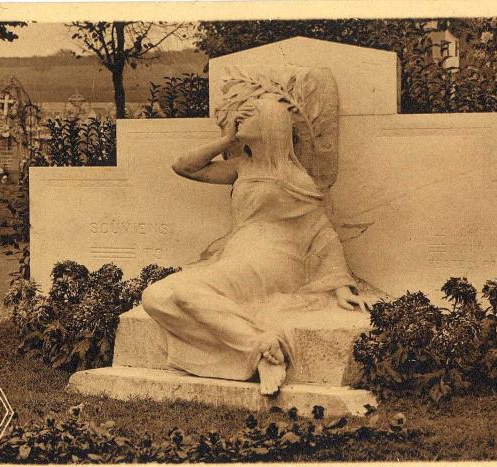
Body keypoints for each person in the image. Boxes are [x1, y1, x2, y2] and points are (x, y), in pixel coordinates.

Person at [141, 97, 371, 395]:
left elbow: (321, 230)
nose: (240, 118)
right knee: (154, 296)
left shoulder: (293, 176)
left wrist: (341, 285)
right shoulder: (241, 168)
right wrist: (227, 139)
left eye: (249, 115)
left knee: (185, 293)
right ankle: (259, 346)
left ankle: (261, 347)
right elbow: (183, 166)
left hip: (274, 261)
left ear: (269, 124)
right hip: (236, 254)